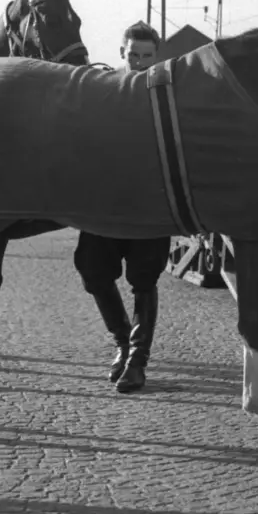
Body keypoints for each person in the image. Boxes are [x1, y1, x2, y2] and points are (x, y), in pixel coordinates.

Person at [74, 21, 171, 394]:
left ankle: (137, 361)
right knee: (93, 271)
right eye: (133, 55)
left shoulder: (166, 91)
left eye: (147, 57)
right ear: (121, 53)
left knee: (144, 279)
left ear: (156, 56)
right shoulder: (101, 90)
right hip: (104, 201)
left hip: (149, 203)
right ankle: (122, 343)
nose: (140, 63)